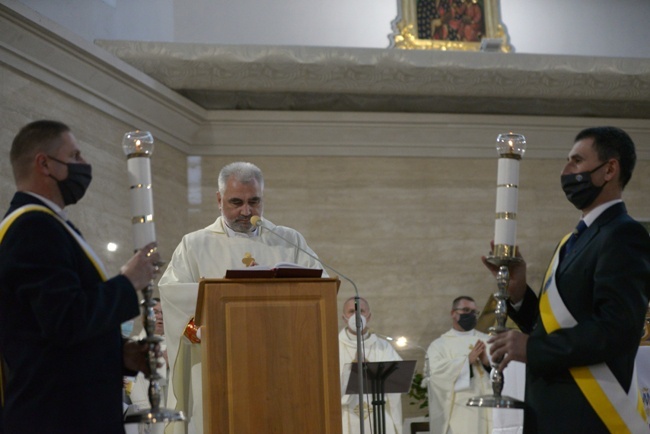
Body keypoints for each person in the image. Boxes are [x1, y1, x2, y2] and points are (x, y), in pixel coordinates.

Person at [485, 126, 650, 433]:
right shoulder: (571, 242)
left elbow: (617, 329)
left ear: (609, 169)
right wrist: (519, 293)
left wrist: (531, 348)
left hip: (588, 414)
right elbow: (555, 326)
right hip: (552, 411)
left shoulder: (624, 234)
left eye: (576, 161)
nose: (565, 171)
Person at [0, 120, 161, 434]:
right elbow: (66, 319)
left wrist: (121, 355)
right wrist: (129, 281)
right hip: (56, 418)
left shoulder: (49, 225)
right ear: (44, 164)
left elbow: (53, 339)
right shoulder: (34, 227)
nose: (84, 164)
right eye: (74, 156)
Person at [158, 161, 324, 434]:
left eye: (254, 202)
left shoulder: (288, 240)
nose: (246, 211)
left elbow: (320, 290)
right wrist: (197, 328)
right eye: (236, 202)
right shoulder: (195, 244)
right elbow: (174, 296)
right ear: (219, 199)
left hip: (279, 363)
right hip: (217, 361)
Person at [426, 296, 492, 434]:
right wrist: (465, 362)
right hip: (462, 411)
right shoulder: (439, 345)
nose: (471, 315)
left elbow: (506, 373)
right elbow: (435, 376)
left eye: (474, 312)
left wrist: (487, 363)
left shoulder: (488, 340)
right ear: (453, 313)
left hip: (490, 407)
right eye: (466, 310)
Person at [338, 296, 403, 434]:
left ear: (369, 316)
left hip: (378, 412)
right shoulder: (333, 347)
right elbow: (327, 384)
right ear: (344, 318)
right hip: (345, 413)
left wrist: (372, 371)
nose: (356, 316)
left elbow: (399, 379)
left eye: (361, 311)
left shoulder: (383, 347)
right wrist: (352, 369)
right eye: (351, 312)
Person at [124, 298, 167, 434]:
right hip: (144, 413)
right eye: (155, 312)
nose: (159, 316)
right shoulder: (134, 346)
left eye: (162, 312)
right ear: (144, 318)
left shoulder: (176, 346)